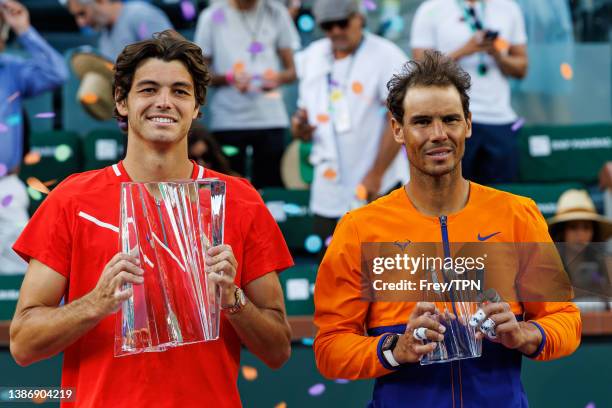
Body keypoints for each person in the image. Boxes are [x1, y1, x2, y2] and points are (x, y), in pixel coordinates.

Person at [10, 30, 293, 407]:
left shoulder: (240, 199)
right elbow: (23, 344)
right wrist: (95, 302)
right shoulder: (71, 199)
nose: (164, 102)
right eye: (147, 89)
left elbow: (277, 351)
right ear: (121, 101)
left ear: (196, 107)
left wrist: (234, 300)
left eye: (180, 91)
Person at [313, 51, 580, 406]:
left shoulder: (517, 215)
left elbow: (565, 319)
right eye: (422, 121)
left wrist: (524, 334)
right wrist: (396, 349)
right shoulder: (360, 228)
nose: (438, 135)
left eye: (450, 119)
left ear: (468, 124)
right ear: (397, 128)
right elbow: (330, 347)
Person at [291, 0, 409, 254]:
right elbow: (304, 116)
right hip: (328, 187)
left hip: (378, 183)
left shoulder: (387, 55)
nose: (335, 31)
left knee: (382, 265)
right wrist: (300, 127)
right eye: (327, 25)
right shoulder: (313, 55)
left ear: (360, 19)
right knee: (331, 265)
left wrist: (376, 173)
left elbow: (400, 118)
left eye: (342, 23)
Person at [411, 0, 528, 185]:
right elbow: (420, 69)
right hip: (452, 120)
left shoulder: (508, 7)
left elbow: (521, 69)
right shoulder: (431, 9)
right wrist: (466, 50)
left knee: (502, 199)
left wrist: (497, 55)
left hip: (500, 119)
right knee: (455, 197)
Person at [194, 0, 299, 188]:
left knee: (270, 188)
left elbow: (292, 71)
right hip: (229, 121)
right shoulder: (212, 16)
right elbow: (199, 72)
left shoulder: (276, 12)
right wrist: (228, 78)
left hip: (270, 118)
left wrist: (277, 78)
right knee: (230, 188)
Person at [0, 0, 68, 274]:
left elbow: (57, 73)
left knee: (18, 277)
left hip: (4, 188)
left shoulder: (10, 69)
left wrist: (24, 30)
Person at [548, 189, 612, 307]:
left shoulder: (607, 264)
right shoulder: (548, 265)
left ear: (594, 232)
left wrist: (603, 288)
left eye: (586, 228)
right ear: (562, 231)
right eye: (573, 227)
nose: (580, 234)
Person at [66, 0, 173, 61]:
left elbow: (171, 56)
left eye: (82, 13)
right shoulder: (104, 35)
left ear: (100, 1)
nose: (81, 23)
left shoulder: (140, 15)